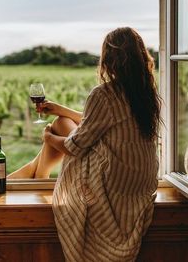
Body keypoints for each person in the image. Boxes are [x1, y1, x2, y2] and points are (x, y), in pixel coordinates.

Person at [9, 27, 161, 262]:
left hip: (115, 181)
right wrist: (62, 108)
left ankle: (34, 175)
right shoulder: (146, 93)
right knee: (63, 119)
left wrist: (48, 136)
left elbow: (75, 147)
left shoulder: (104, 94)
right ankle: (33, 173)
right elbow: (101, 123)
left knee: (60, 125)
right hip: (141, 181)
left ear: (109, 60)